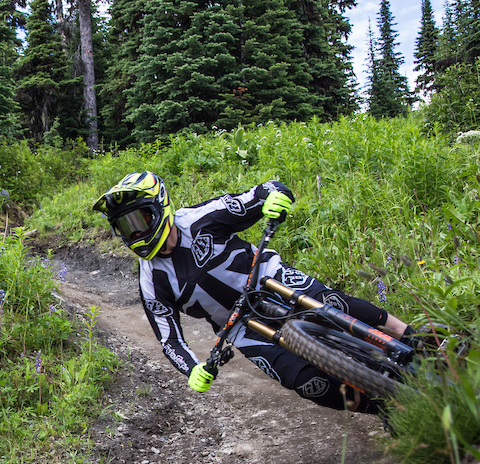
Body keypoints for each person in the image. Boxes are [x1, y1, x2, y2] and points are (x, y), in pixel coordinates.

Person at [92, 171, 413, 413]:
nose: (135, 232)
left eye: (140, 219)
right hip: (241, 327)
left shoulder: (202, 218)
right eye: (125, 226)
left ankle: (410, 335)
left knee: (332, 304)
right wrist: (192, 369)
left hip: (269, 279)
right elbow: (169, 339)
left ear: (160, 206)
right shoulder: (151, 281)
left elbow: (263, 191)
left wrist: (274, 198)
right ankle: (390, 411)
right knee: (306, 382)